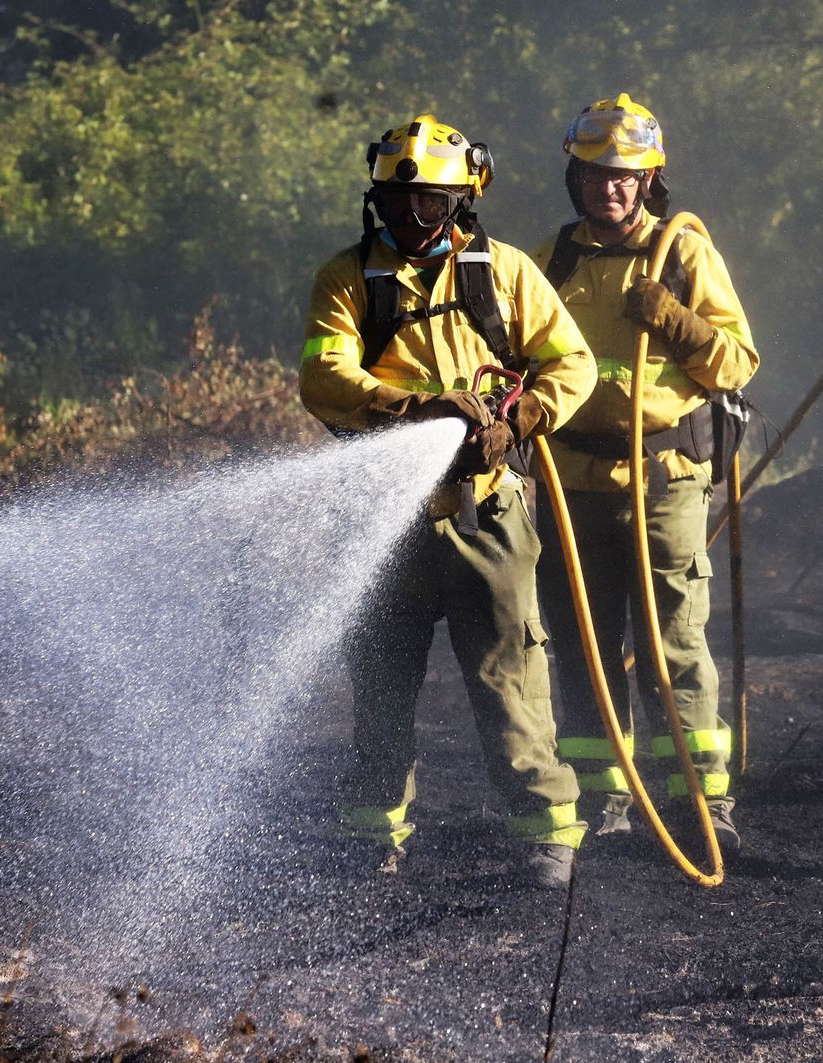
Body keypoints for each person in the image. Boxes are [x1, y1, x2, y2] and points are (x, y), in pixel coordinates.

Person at [299, 114, 598, 888]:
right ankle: (374, 835)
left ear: (463, 199)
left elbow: (573, 363)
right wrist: (417, 410)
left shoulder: (502, 273)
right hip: (382, 519)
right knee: (382, 684)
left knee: (511, 679)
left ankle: (546, 835)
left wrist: (521, 417)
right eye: (396, 206)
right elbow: (323, 377)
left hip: (485, 513)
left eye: (427, 205)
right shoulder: (347, 278)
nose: (409, 220)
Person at [529, 94, 759, 847]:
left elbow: (736, 362)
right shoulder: (549, 259)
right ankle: (606, 797)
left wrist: (676, 319)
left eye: (626, 175)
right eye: (596, 174)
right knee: (583, 644)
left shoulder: (684, 252)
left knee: (672, 646)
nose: (610, 187)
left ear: (650, 178)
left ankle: (703, 802)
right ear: (576, 177)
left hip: (664, 480)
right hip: (570, 486)